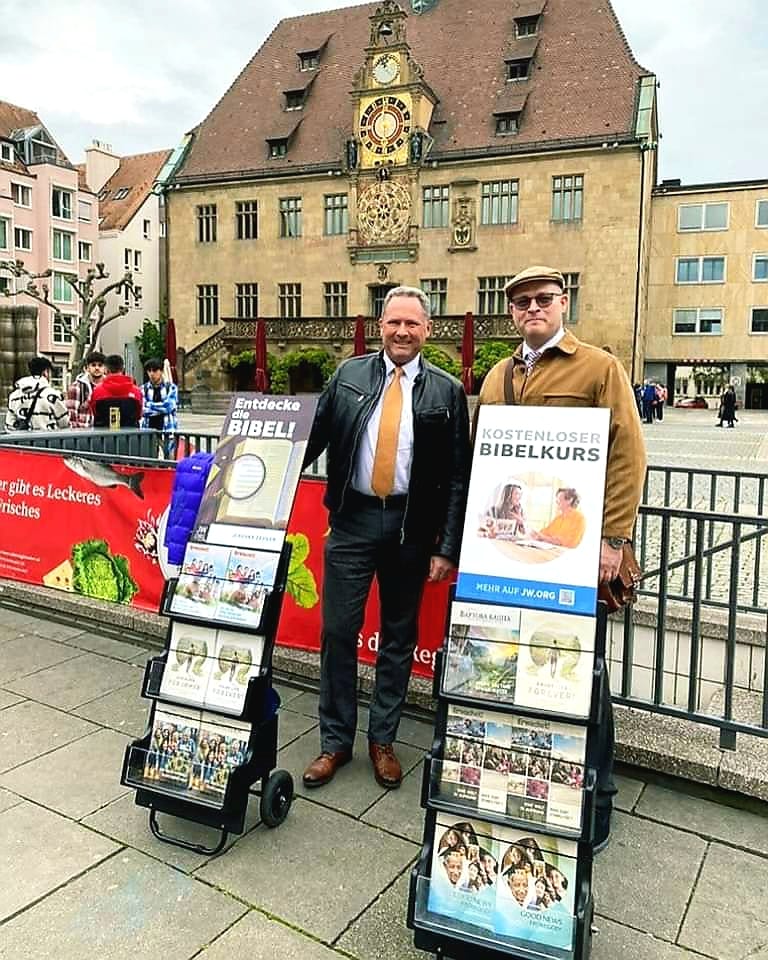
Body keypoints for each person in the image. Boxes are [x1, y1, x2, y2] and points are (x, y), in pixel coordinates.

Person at [478, 265, 646, 852]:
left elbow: (628, 455)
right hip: (511, 559)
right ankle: (536, 784)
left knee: (581, 672)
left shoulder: (599, 367)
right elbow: (486, 462)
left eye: (542, 299)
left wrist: (614, 539)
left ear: (563, 301)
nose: (532, 309)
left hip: (578, 556)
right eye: (521, 302)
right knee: (524, 669)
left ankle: (597, 794)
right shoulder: (500, 373)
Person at [301, 285, 471, 791]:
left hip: (410, 529)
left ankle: (383, 740)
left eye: (412, 324)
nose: (402, 331)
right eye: (394, 322)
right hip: (352, 521)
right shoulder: (348, 375)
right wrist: (257, 467)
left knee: (399, 637)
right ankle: (335, 742)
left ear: (427, 330)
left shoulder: (447, 391)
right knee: (337, 632)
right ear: (381, 325)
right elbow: (310, 440)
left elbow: (459, 476)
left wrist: (446, 547)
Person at [5, 356, 68, 432]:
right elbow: (64, 422)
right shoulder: (51, 395)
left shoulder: (14, 396)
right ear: (45, 372)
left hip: (20, 441)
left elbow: (9, 423)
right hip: (47, 440)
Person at [89, 354, 142, 428]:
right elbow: (138, 415)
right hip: (130, 436)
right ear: (123, 369)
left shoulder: (97, 391)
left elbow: (95, 413)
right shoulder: (136, 391)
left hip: (103, 436)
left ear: (106, 369)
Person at [140, 357, 179, 456]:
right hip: (149, 429)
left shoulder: (171, 387)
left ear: (161, 371)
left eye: (155, 370)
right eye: (149, 371)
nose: (152, 374)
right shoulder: (143, 389)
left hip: (167, 429)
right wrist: (161, 408)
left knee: (170, 459)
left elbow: (169, 406)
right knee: (150, 460)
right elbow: (143, 410)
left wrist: (149, 405)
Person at [65, 350, 106, 429]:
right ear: (87, 368)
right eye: (93, 365)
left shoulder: (109, 386)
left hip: (104, 432)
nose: (97, 368)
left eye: (100, 365)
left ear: (104, 368)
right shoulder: (76, 387)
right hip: (83, 433)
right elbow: (71, 416)